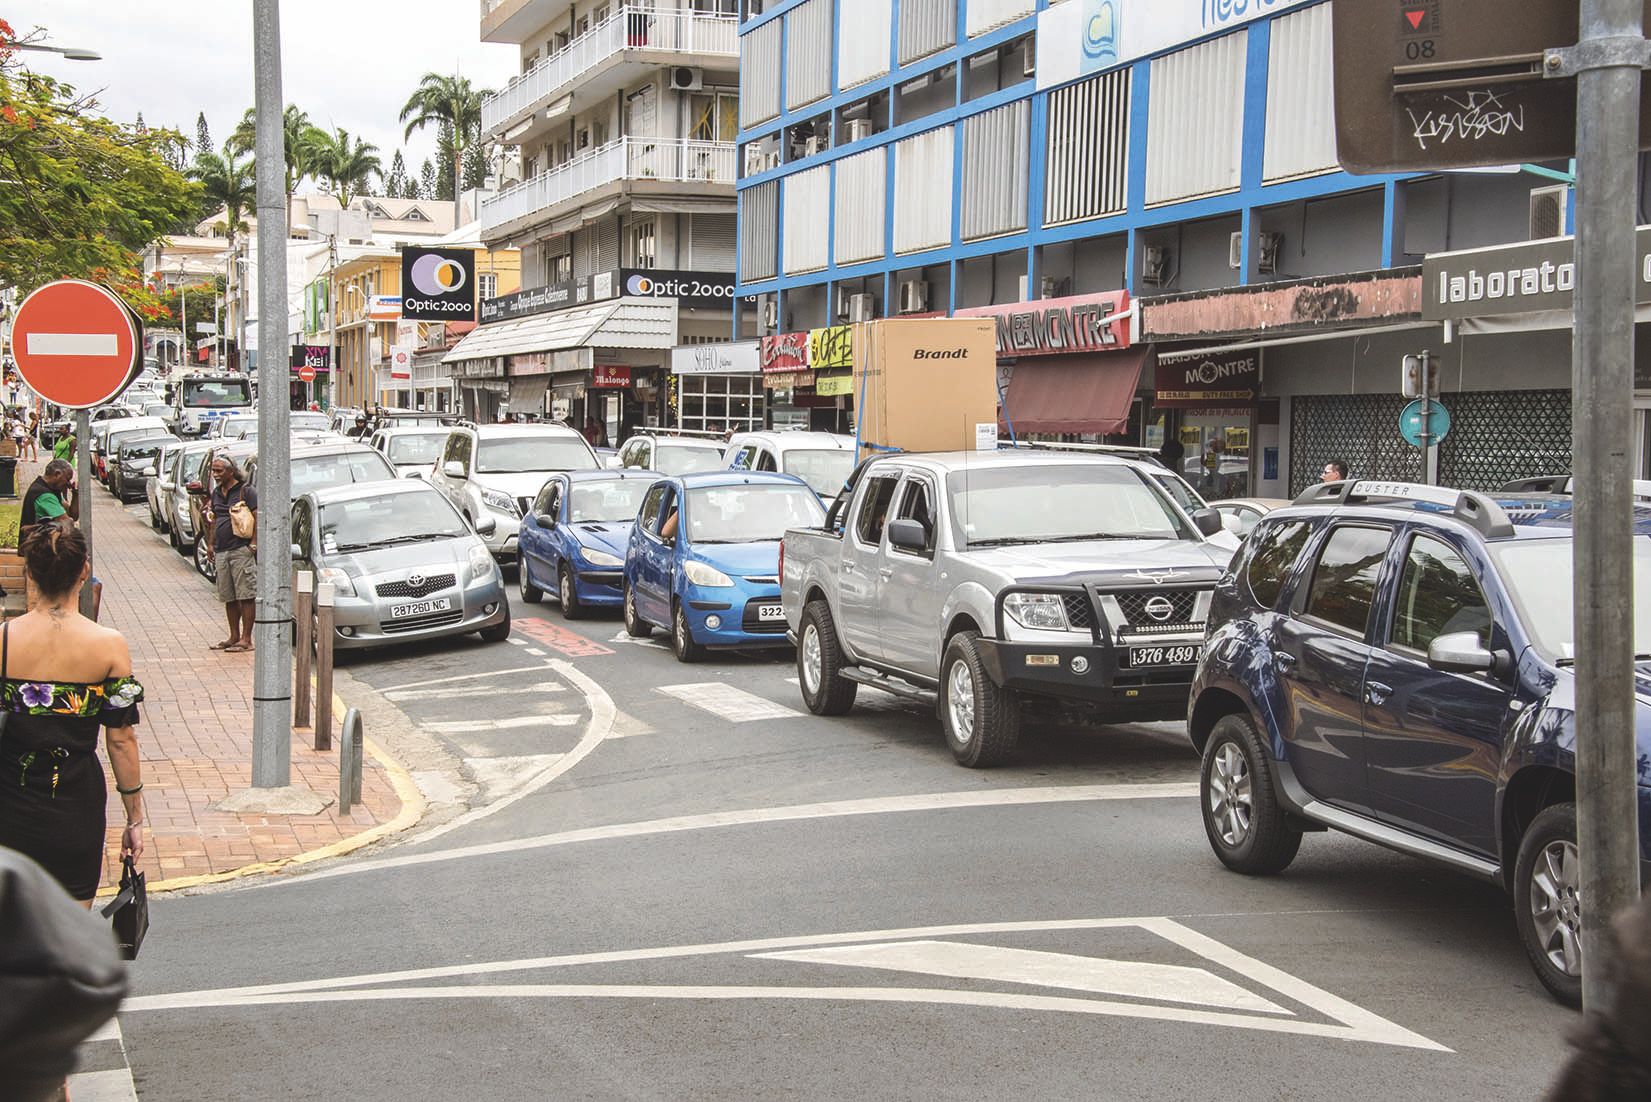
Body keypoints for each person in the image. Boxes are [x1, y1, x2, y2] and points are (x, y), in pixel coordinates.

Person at [0, 522, 145, 909]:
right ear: (84, 569)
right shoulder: (108, 646)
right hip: (74, 806)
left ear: (30, 572)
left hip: (9, 803)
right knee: (70, 933)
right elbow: (121, 739)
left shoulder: (2, 641)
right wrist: (134, 818)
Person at [205, 456, 257, 653]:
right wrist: (211, 544)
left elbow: (257, 516)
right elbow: (215, 519)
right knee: (229, 596)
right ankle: (234, 635)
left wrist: (253, 544)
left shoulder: (246, 491)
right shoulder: (217, 493)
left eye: (219, 471)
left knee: (246, 595)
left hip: (240, 549)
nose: (216, 475)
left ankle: (246, 638)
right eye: (214, 471)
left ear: (230, 471)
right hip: (222, 550)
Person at [20, 459, 78, 536]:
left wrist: (75, 494)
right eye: (67, 479)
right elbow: (66, 522)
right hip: (37, 545)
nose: (68, 484)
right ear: (57, 474)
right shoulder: (45, 495)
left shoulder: (50, 489)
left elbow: (72, 515)